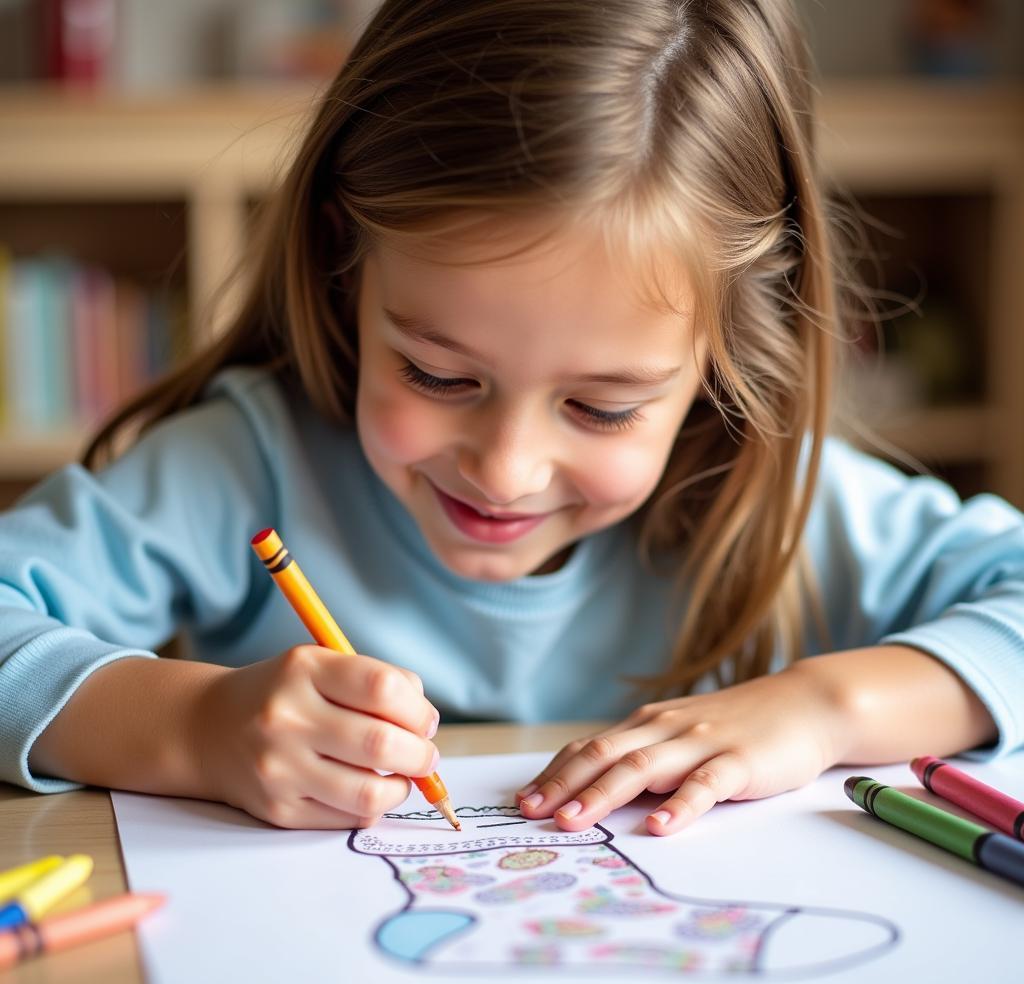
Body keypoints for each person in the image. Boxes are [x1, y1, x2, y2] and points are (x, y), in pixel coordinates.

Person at [1, 0, 1019, 838]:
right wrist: (189, 726)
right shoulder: (241, 468)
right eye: (440, 375)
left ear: (719, 359)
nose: (507, 468)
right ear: (345, 259)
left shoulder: (782, 503)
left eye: (602, 405)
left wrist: (823, 708)